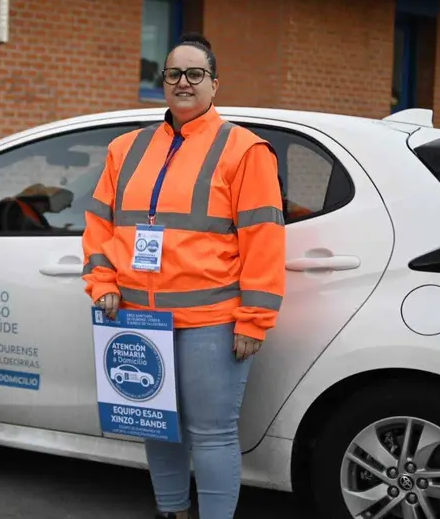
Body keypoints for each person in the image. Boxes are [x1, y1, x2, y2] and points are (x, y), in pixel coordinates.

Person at [81, 32, 286, 519]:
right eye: (174, 73)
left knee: (212, 432)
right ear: (162, 83)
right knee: (157, 424)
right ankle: (170, 511)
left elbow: (263, 237)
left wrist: (254, 320)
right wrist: (104, 283)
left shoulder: (244, 149)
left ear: (215, 85)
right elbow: (100, 225)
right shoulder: (126, 148)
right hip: (139, 317)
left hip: (210, 319)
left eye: (196, 74)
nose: (183, 82)